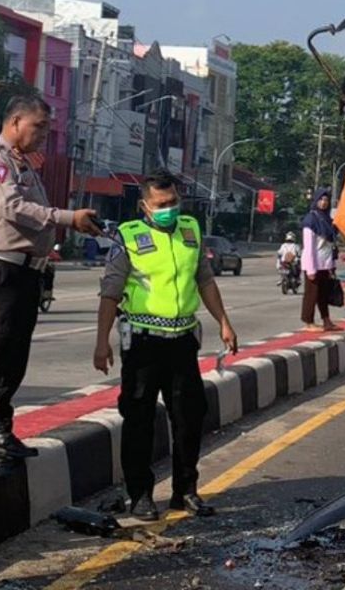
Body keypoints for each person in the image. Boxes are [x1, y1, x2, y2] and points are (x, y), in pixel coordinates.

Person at [92, 170, 238, 520]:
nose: (169, 209)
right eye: (161, 205)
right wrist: (101, 342)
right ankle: (139, 494)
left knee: (190, 417)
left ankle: (185, 490)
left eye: (173, 202)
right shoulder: (127, 238)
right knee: (139, 418)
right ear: (145, 206)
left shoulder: (190, 229)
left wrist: (224, 322)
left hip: (183, 341)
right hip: (142, 343)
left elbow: (204, 280)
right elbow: (110, 294)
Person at [0, 96, 102, 471]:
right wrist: (66, 217)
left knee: (15, 357)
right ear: (16, 122)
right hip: (1, 268)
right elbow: (11, 207)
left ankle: (1, 428)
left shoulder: (24, 165)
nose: (44, 135)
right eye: (39, 127)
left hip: (28, 272)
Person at [300, 189, 339, 332]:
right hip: (313, 264)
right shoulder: (310, 220)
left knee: (323, 294)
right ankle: (308, 321)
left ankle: (326, 320)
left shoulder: (328, 220)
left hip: (325, 263)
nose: (323, 203)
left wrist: (331, 265)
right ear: (316, 201)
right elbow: (309, 247)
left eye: (326, 200)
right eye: (321, 200)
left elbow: (331, 245)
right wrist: (311, 269)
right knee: (311, 294)